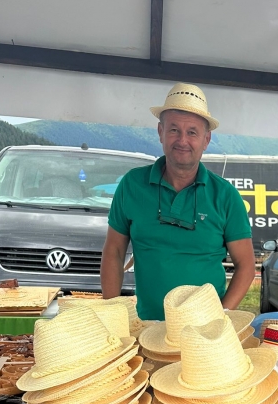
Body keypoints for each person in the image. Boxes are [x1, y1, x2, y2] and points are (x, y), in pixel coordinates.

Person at [101, 83, 255, 321]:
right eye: (174, 130)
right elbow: (114, 251)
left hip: (204, 329)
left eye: (192, 132)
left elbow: (246, 266)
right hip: (146, 326)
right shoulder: (132, 185)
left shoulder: (225, 196)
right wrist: (113, 314)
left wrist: (221, 317)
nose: (182, 140)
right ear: (160, 132)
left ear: (206, 139)